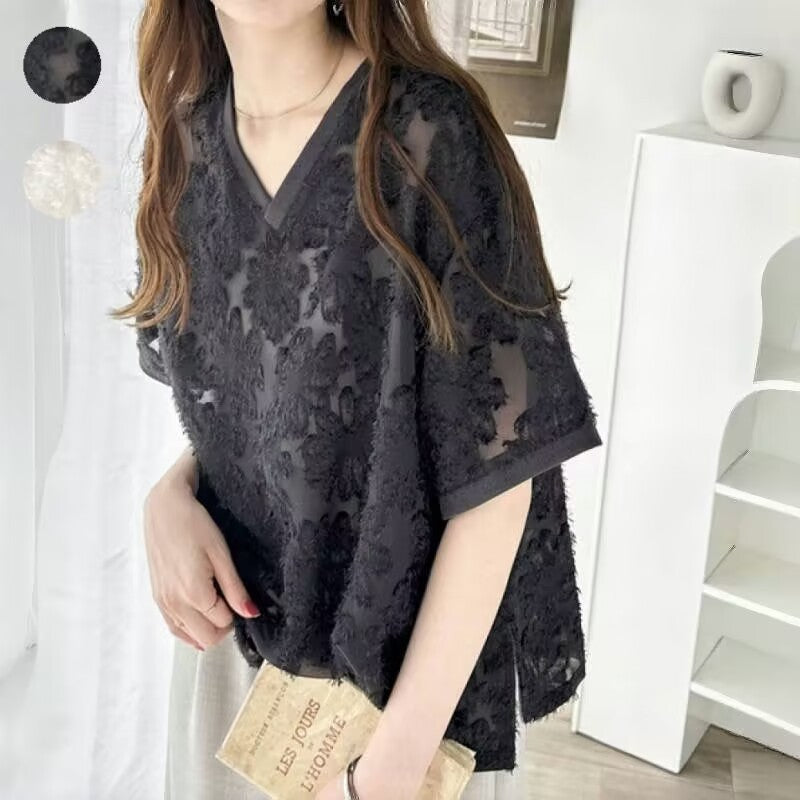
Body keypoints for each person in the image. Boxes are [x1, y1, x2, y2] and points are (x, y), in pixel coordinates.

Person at [112, 1, 603, 797]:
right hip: (237, 672)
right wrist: (168, 497)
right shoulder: (184, 144)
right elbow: (269, 412)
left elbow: (502, 464)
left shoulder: (426, 133)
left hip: (403, 695)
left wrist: (387, 772)